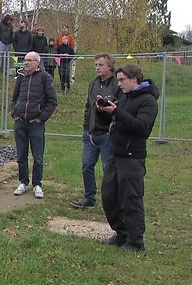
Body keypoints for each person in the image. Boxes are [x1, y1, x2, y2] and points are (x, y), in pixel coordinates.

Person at [99, 64, 158, 252]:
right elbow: (116, 121)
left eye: (123, 80)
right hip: (116, 153)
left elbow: (142, 128)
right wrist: (104, 109)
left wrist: (116, 112)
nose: (119, 84)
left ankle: (135, 241)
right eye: (118, 80)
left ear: (135, 79)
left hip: (132, 157)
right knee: (109, 196)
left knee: (131, 198)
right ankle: (121, 233)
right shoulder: (124, 96)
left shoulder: (148, 101)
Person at [71, 54, 121, 209]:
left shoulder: (117, 85)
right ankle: (89, 197)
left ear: (110, 67)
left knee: (108, 169)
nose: (97, 68)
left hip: (107, 133)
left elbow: (119, 108)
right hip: (91, 132)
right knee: (86, 165)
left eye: (101, 65)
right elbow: (88, 106)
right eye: (96, 65)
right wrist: (86, 125)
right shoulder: (93, 83)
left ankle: (112, 201)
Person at [11, 51, 58, 198]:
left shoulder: (45, 77)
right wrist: (15, 113)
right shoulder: (21, 77)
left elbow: (52, 101)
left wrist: (41, 118)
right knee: (21, 155)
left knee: (38, 157)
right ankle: (23, 182)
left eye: (29, 60)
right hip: (20, 122)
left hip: (35, 123)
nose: (26, 63)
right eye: (25, 60)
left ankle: (37, 184)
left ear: (37, 63)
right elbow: (15, 97)